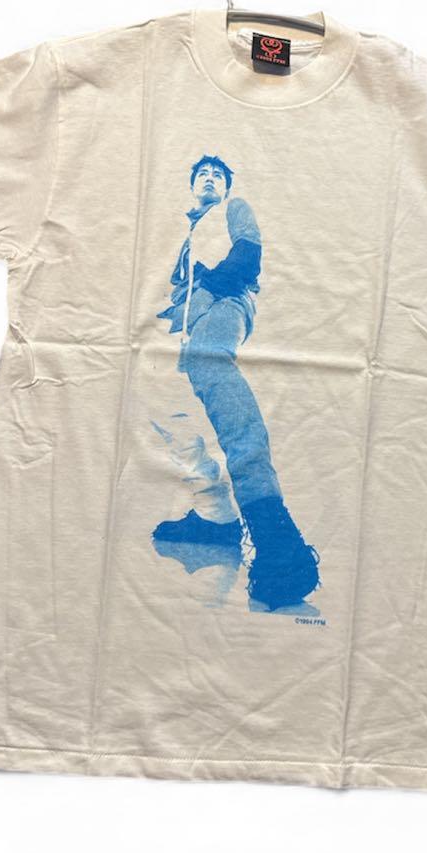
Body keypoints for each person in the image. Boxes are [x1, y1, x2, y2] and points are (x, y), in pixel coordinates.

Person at [150, 154, 321, 612]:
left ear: (226, 186)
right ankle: (216, 516)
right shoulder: (181, 227)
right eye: (202, 173)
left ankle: (274, 531)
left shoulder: (232, 208)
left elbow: (248, 256)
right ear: (191, 184)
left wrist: (209, 291)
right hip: (180, 318)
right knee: (159, 404)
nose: (209, 178)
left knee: (211, 366)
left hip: (224, 301)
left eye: (217, 175)